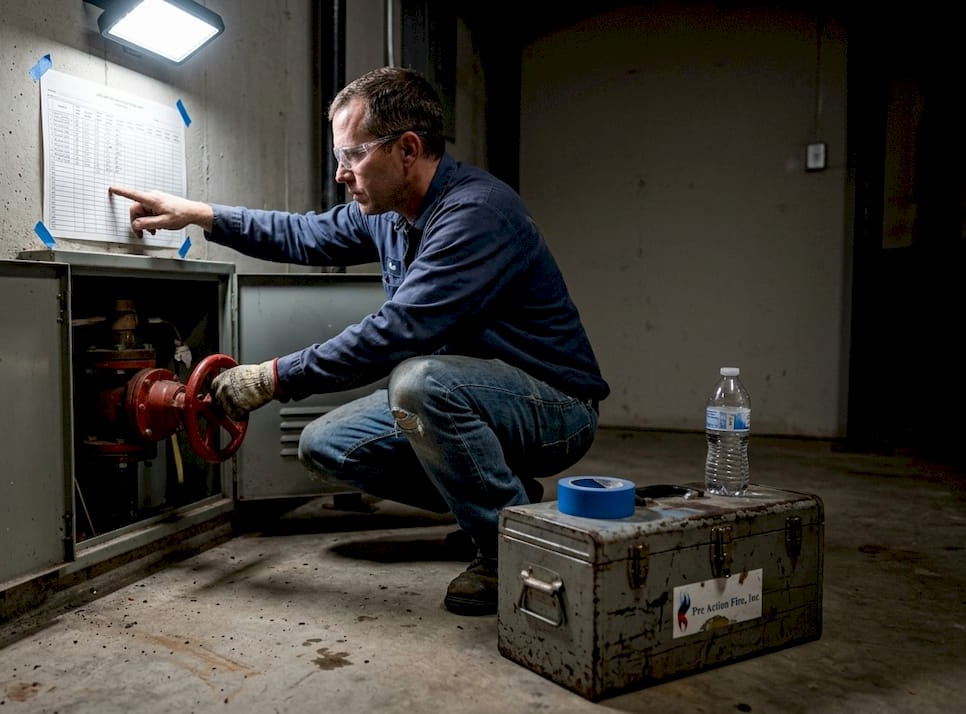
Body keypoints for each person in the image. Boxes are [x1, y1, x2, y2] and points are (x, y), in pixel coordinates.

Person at [109, 66, 609, 616]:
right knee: (325, 445)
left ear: (408, 149)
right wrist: (199, 215)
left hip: (555, 409)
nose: (343, 173)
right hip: (472, 400)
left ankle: (507, 549)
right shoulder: (390, 213)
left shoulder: (477, 215)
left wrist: (271, 377)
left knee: (419, 382)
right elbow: (303, 234)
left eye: (353, 155)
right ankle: (505, 503)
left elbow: (396, 333)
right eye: (339, 157)